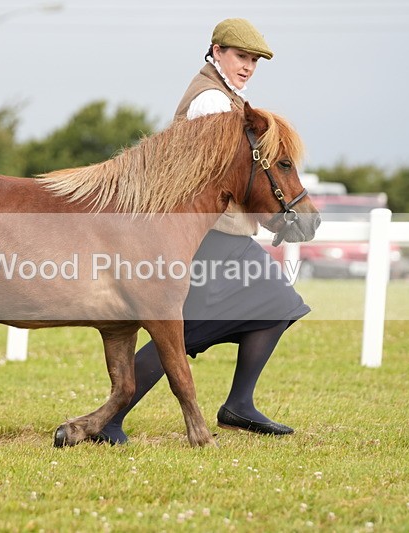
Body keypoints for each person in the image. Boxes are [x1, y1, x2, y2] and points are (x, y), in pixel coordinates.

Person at [96, 18, 310, 444]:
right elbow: (218, 179)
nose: (247, 66)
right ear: (216, 51)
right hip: (209, 235)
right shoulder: (211, 101)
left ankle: (239, 404)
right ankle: (109, 418)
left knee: (277, 306)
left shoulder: (229, 98)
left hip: (223, 234)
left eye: (253, 60)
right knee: (185, 328)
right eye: (240, 56)